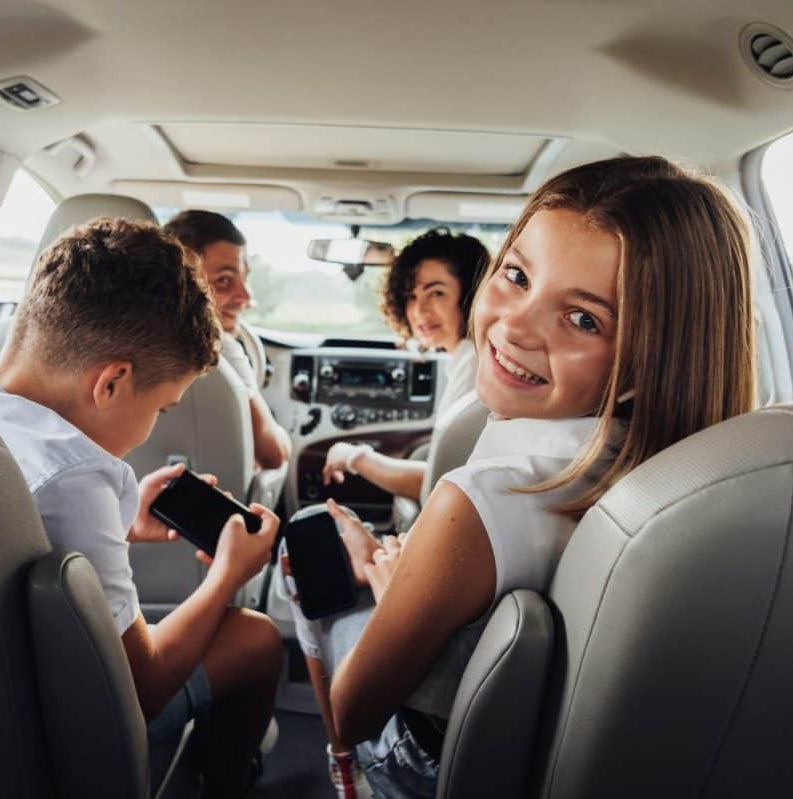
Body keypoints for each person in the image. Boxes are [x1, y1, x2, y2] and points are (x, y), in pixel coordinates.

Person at [290, 156, 757, 797]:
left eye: (584, 318)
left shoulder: (476, 502)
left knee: (310, 544)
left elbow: (353, 713)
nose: (515, 325)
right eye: (516, 275)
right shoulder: (702, 476)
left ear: (654, 356)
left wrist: (389, 583)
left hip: (433, 761)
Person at [0, 217, 281, 798]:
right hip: (52, 739)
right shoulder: (78, 479)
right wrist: (227, 575)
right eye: (164, 408)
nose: (155, 423)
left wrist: (121, 525)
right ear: (112, 383)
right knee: (256, 638)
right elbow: (141, 687)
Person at [321, 229, 490, 501]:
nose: (419, 310)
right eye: (411, 296)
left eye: (436, 293)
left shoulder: (476, 366)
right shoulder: (467, 356)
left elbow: (440, 485)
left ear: (471, 295)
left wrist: (354, 456)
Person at [163, 209, 292, 470]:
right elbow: (274, 453)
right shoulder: (220, 347)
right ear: (183, 281)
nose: (246, 297)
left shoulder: (119, 338)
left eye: (244, 279)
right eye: (224, 280)